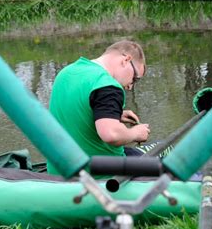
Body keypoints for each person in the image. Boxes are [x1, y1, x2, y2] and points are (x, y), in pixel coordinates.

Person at [46, 40, 151, 176]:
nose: (130, 86)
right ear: (126, 60)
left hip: (58, 172)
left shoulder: (67, 72)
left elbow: (74, 110)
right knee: (166, 166)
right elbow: (111, 134)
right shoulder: (107, 85)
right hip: (99, 175)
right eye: (135, 78)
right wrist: (136, 133)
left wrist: (112, 114)